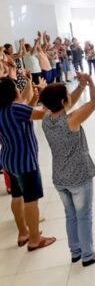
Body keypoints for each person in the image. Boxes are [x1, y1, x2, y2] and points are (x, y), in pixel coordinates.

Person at [40, 74, 95, 266]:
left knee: (70, 215)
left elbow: (65, 104)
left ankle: (75, 251)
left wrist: (80, 86)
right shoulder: (70, 121)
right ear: (63, 101)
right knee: (84, 215)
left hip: (59, 176)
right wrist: (91, 82)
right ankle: (88, 255)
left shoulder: (46, 118)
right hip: (78, 175)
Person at [0, 75, 56, 251]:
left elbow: (26, 112)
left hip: (9, 160)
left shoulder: (4, 109)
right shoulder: (16, 109)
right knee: (31, 200)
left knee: (17, 196)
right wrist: (47, 99)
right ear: (11, 92)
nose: (18, 89)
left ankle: (23, 232)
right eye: (16, 87)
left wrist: (35, 97)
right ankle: (34, 239)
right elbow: (45, 116)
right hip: (26, 161)